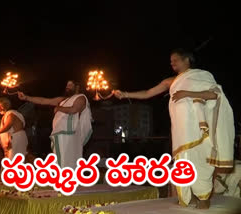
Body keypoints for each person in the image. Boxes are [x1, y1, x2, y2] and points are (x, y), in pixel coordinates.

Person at [115, 48, 234, 209]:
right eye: (171, 61)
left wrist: (187, 92)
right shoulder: (170, 81)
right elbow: (149, 92)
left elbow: (214, 95)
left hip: (198, 130)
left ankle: (203, 198)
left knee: (199, 161)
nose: (172, 63)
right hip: (180, 131)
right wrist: (125, 94)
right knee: (182, 161)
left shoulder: (201, 76)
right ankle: (185, 197)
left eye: (175, 60)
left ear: (187, 60)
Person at [17, 80, 93, 169]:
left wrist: (59, 108)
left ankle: (66, 178)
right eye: (67, 84)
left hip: (69, 132)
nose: (67, 86)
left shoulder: (81, 97)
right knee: (61, 157)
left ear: (77, 87)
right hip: (60, 133)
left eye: (70, 84)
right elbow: (44, 101)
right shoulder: (64, 100)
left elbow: (74, 109)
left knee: (67, 157)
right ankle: (65, 177)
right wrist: (26, 98)